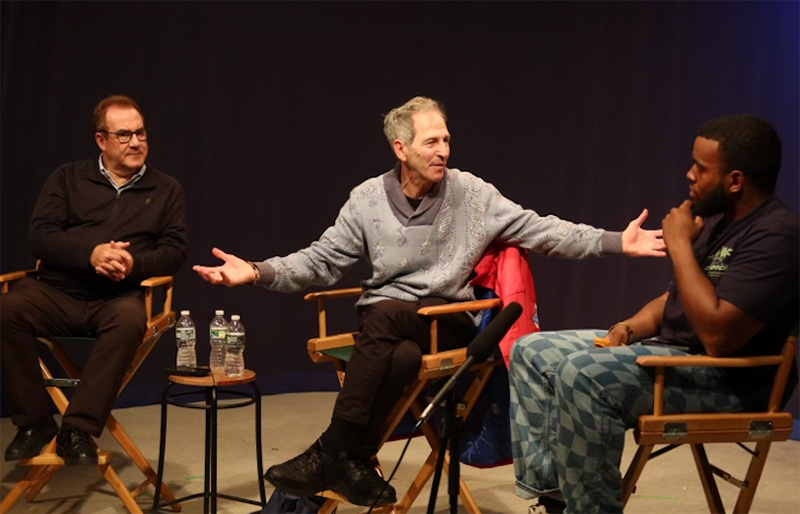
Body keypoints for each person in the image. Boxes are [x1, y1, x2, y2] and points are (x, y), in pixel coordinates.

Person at [193, 96, 665, 506]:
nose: (443, 151)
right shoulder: (366, 200)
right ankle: (354, 464)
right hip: (390, 328)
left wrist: (614, 242)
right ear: (400, 148)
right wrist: (257, 271)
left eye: (446, 141)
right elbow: (322, 259)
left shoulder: (472, 194)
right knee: (395, 352)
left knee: (381, 319)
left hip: (446, 319)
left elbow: (541, 229)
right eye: (431, 143)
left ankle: (330, 449)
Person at [508, 114, 798, 514]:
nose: (689, 174)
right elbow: (674, 301)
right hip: (678, 359)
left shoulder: (776, 234)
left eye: (701, 167)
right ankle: (555, 497)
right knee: (532, 351)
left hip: (730, 379)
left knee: (582, 374)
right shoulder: (716, 222)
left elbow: (718, 337)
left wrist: (679, 246)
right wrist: (629, 328)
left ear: (735, 181)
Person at [1, 95, 188, 465]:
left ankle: (78, 428)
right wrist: (92, 253)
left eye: (141, 133)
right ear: (101, 140)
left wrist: (131, 263)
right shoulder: (68, 178)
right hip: (57, 292)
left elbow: (174, 251)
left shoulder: (167, 189)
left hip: (116, 298)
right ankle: (35, 422)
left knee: (130, 320)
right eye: (124, 135)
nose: (136, 142)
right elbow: (41, 236)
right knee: (7, 308)